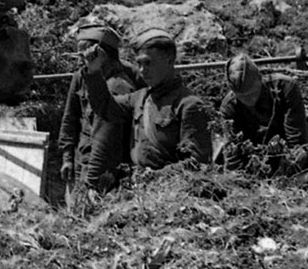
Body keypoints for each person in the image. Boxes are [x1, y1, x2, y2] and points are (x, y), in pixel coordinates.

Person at [83, 28, 212, 173]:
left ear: (170, 60)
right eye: (139, 64)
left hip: (170, 190)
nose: (142, 70)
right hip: (141, 186)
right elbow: (104, 107)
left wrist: (156, 177)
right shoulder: (140, 98)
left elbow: (197, 161)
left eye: (148, 63)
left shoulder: (188, 105)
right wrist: (93, 72)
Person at [57, 24, 138, 204]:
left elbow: (107, 139)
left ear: (101, 55)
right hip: (82, 160)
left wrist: (93, 179)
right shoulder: (82, 76)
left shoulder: (119, 85)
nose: (80, 62)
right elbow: (70, 117)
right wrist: (67, 158)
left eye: (84, 56)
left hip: (106, 168)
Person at [218, 53, 308, 175]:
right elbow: (233, 149)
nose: (249, 100)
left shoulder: (285, 88)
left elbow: (296, 139)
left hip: (292, 147)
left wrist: (291, 169)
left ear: (260, 79)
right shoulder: (230, 107)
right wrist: (237, 179)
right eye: (243, 97)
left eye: (252, 93)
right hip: (260, 154)